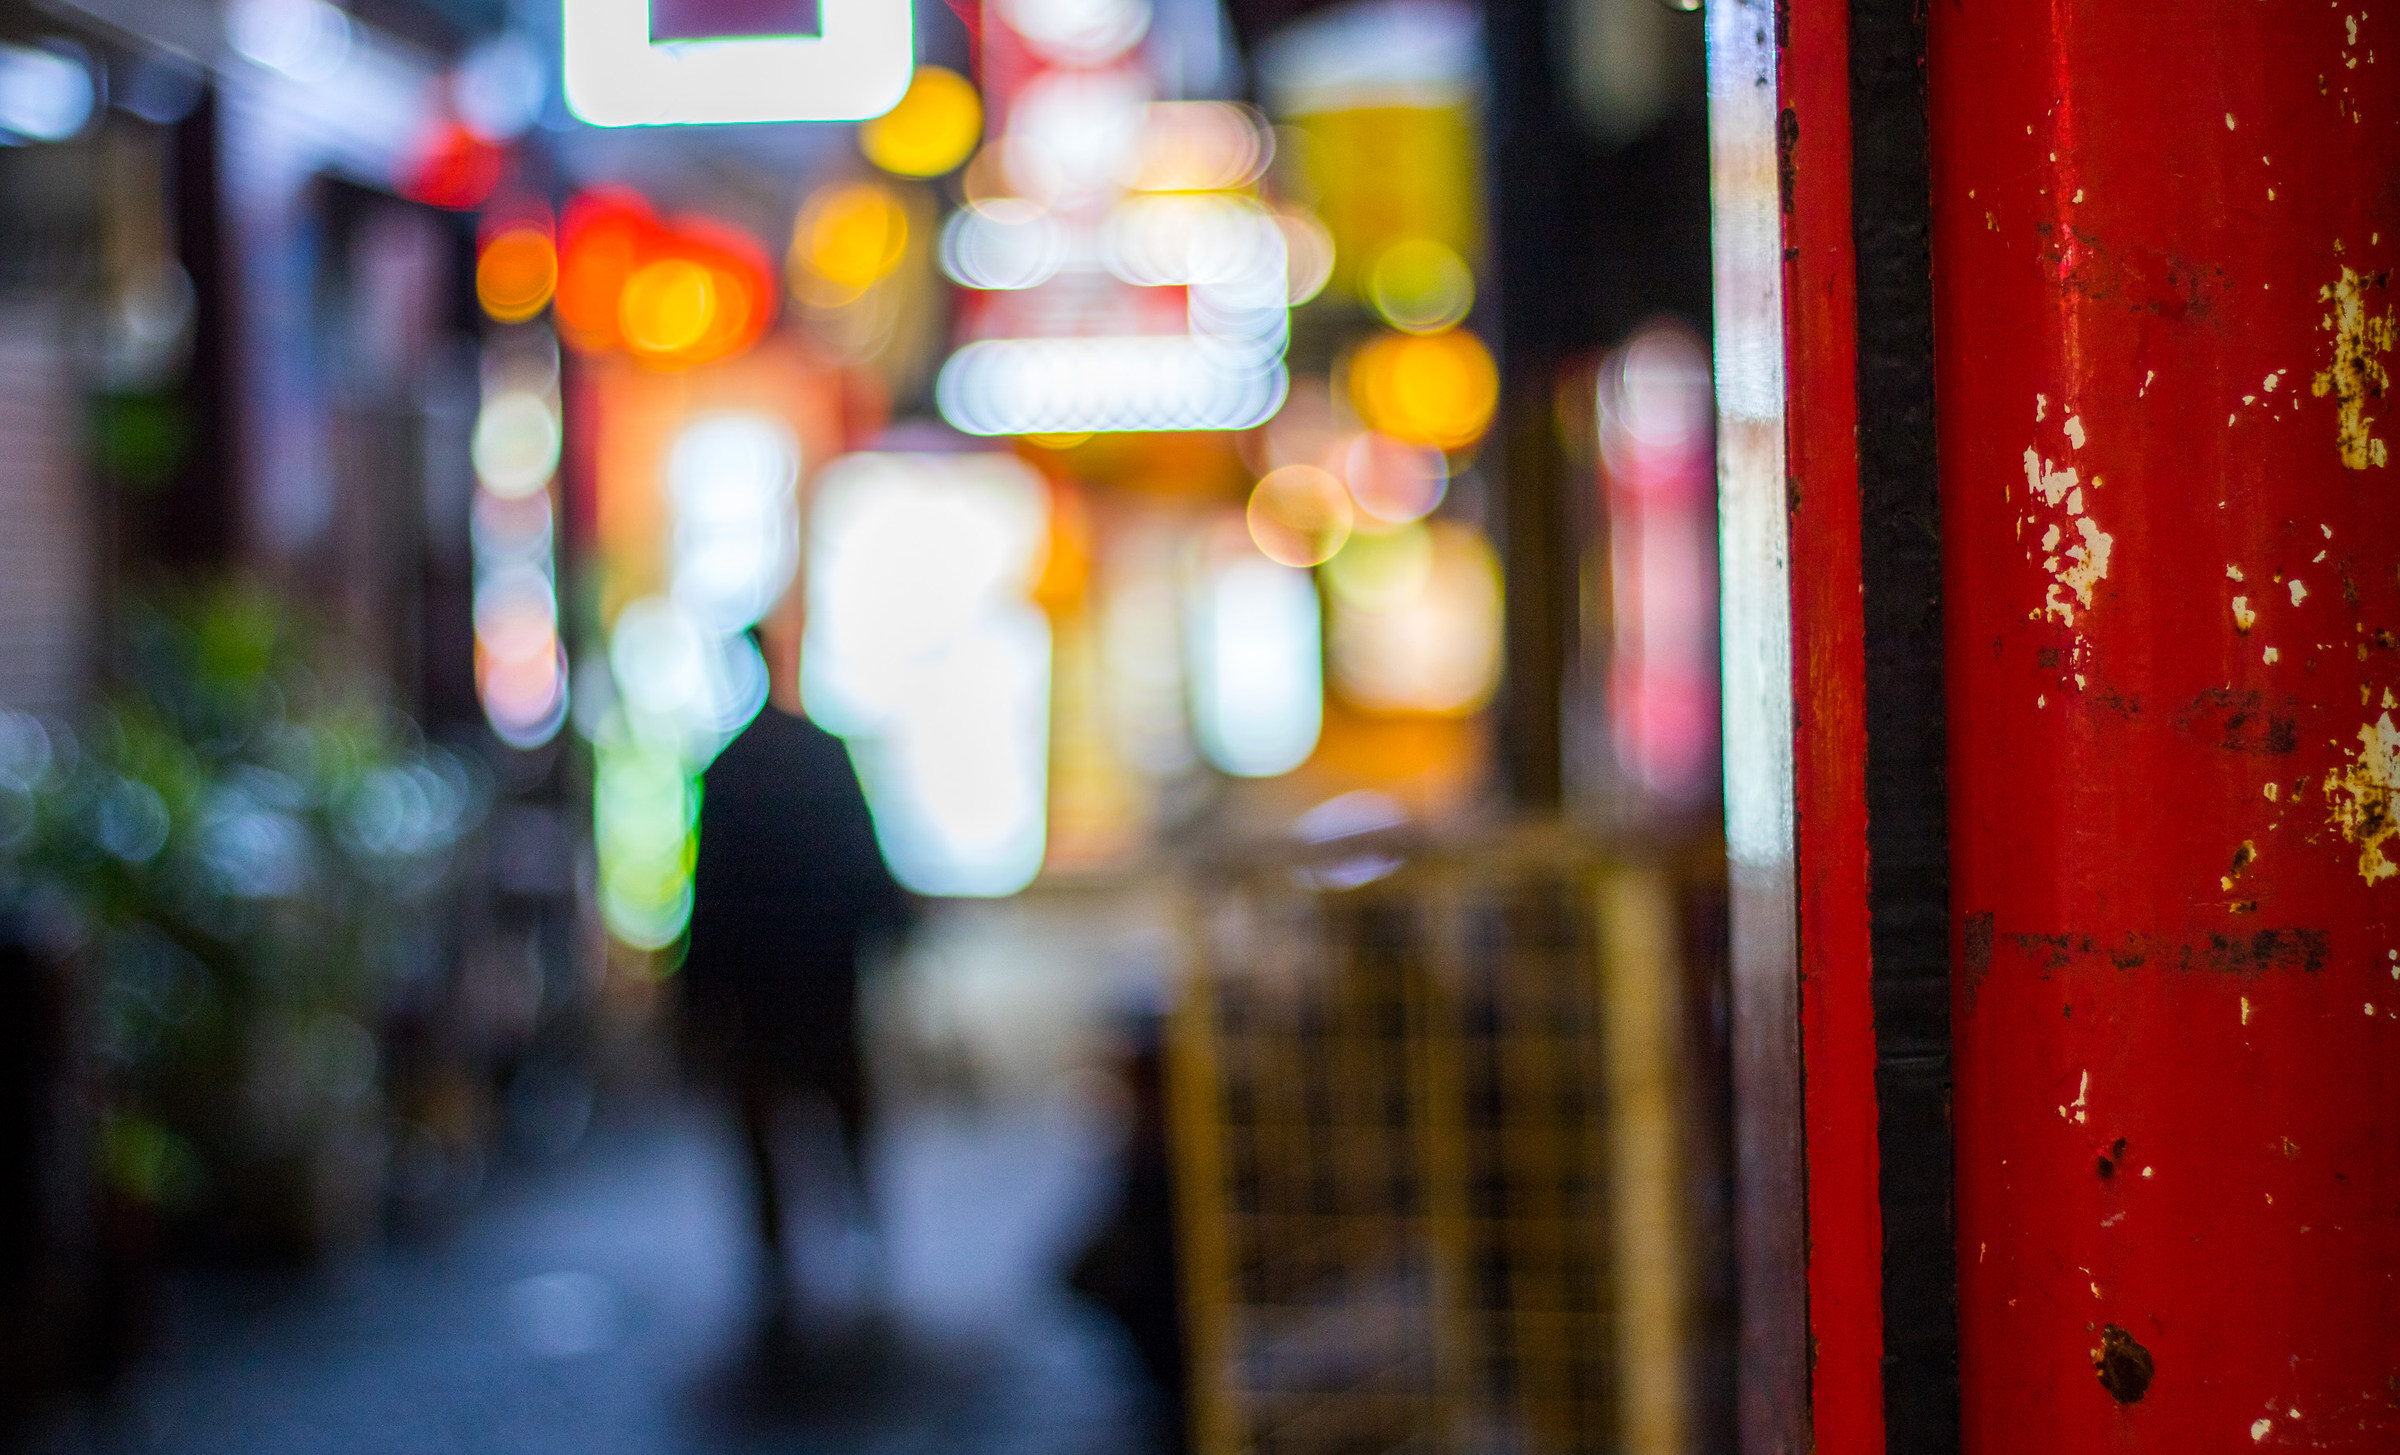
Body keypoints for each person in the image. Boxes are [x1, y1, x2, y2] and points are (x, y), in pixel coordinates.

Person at [682, 616, 910, 1322]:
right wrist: (888, 930)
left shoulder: (731, 767)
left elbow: (710, 889)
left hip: (762, 981)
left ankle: (783, 1257)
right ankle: (859, 1231)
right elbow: (864, 862)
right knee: (840, 1102)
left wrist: (698, 988)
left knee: (767, 1120)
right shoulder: (818, 754)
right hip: (820, 967)